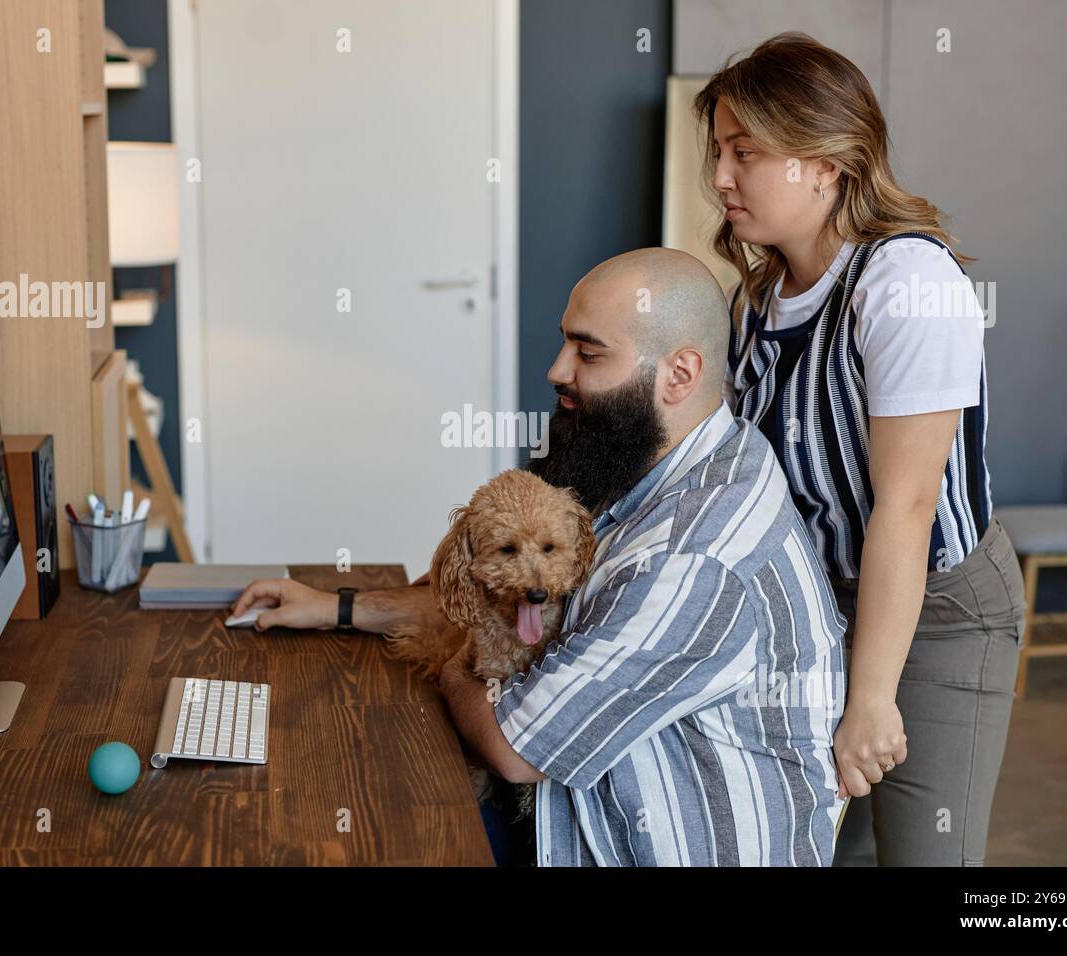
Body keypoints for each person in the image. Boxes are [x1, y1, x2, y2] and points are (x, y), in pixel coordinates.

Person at [234, 247, 847, 866]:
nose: (557, 370)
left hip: (631, 844)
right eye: (565, 344)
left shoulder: (693, 557)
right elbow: (496, 605)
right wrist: (342, 608)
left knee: (340, 813)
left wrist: (457, 667)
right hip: (571, 807)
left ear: (678, 374)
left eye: (588, 352)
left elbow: (514, 749)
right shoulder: (665, 461)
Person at [692, 32, 1027, 866]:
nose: (721, 178)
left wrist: (871, 697)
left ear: (827, 161)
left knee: (926, 856)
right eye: (719, 152)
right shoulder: (759, 297)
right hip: (827, 604)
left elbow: (908, 508)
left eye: (747, 152)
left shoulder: (905, 284)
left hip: (943, 608)